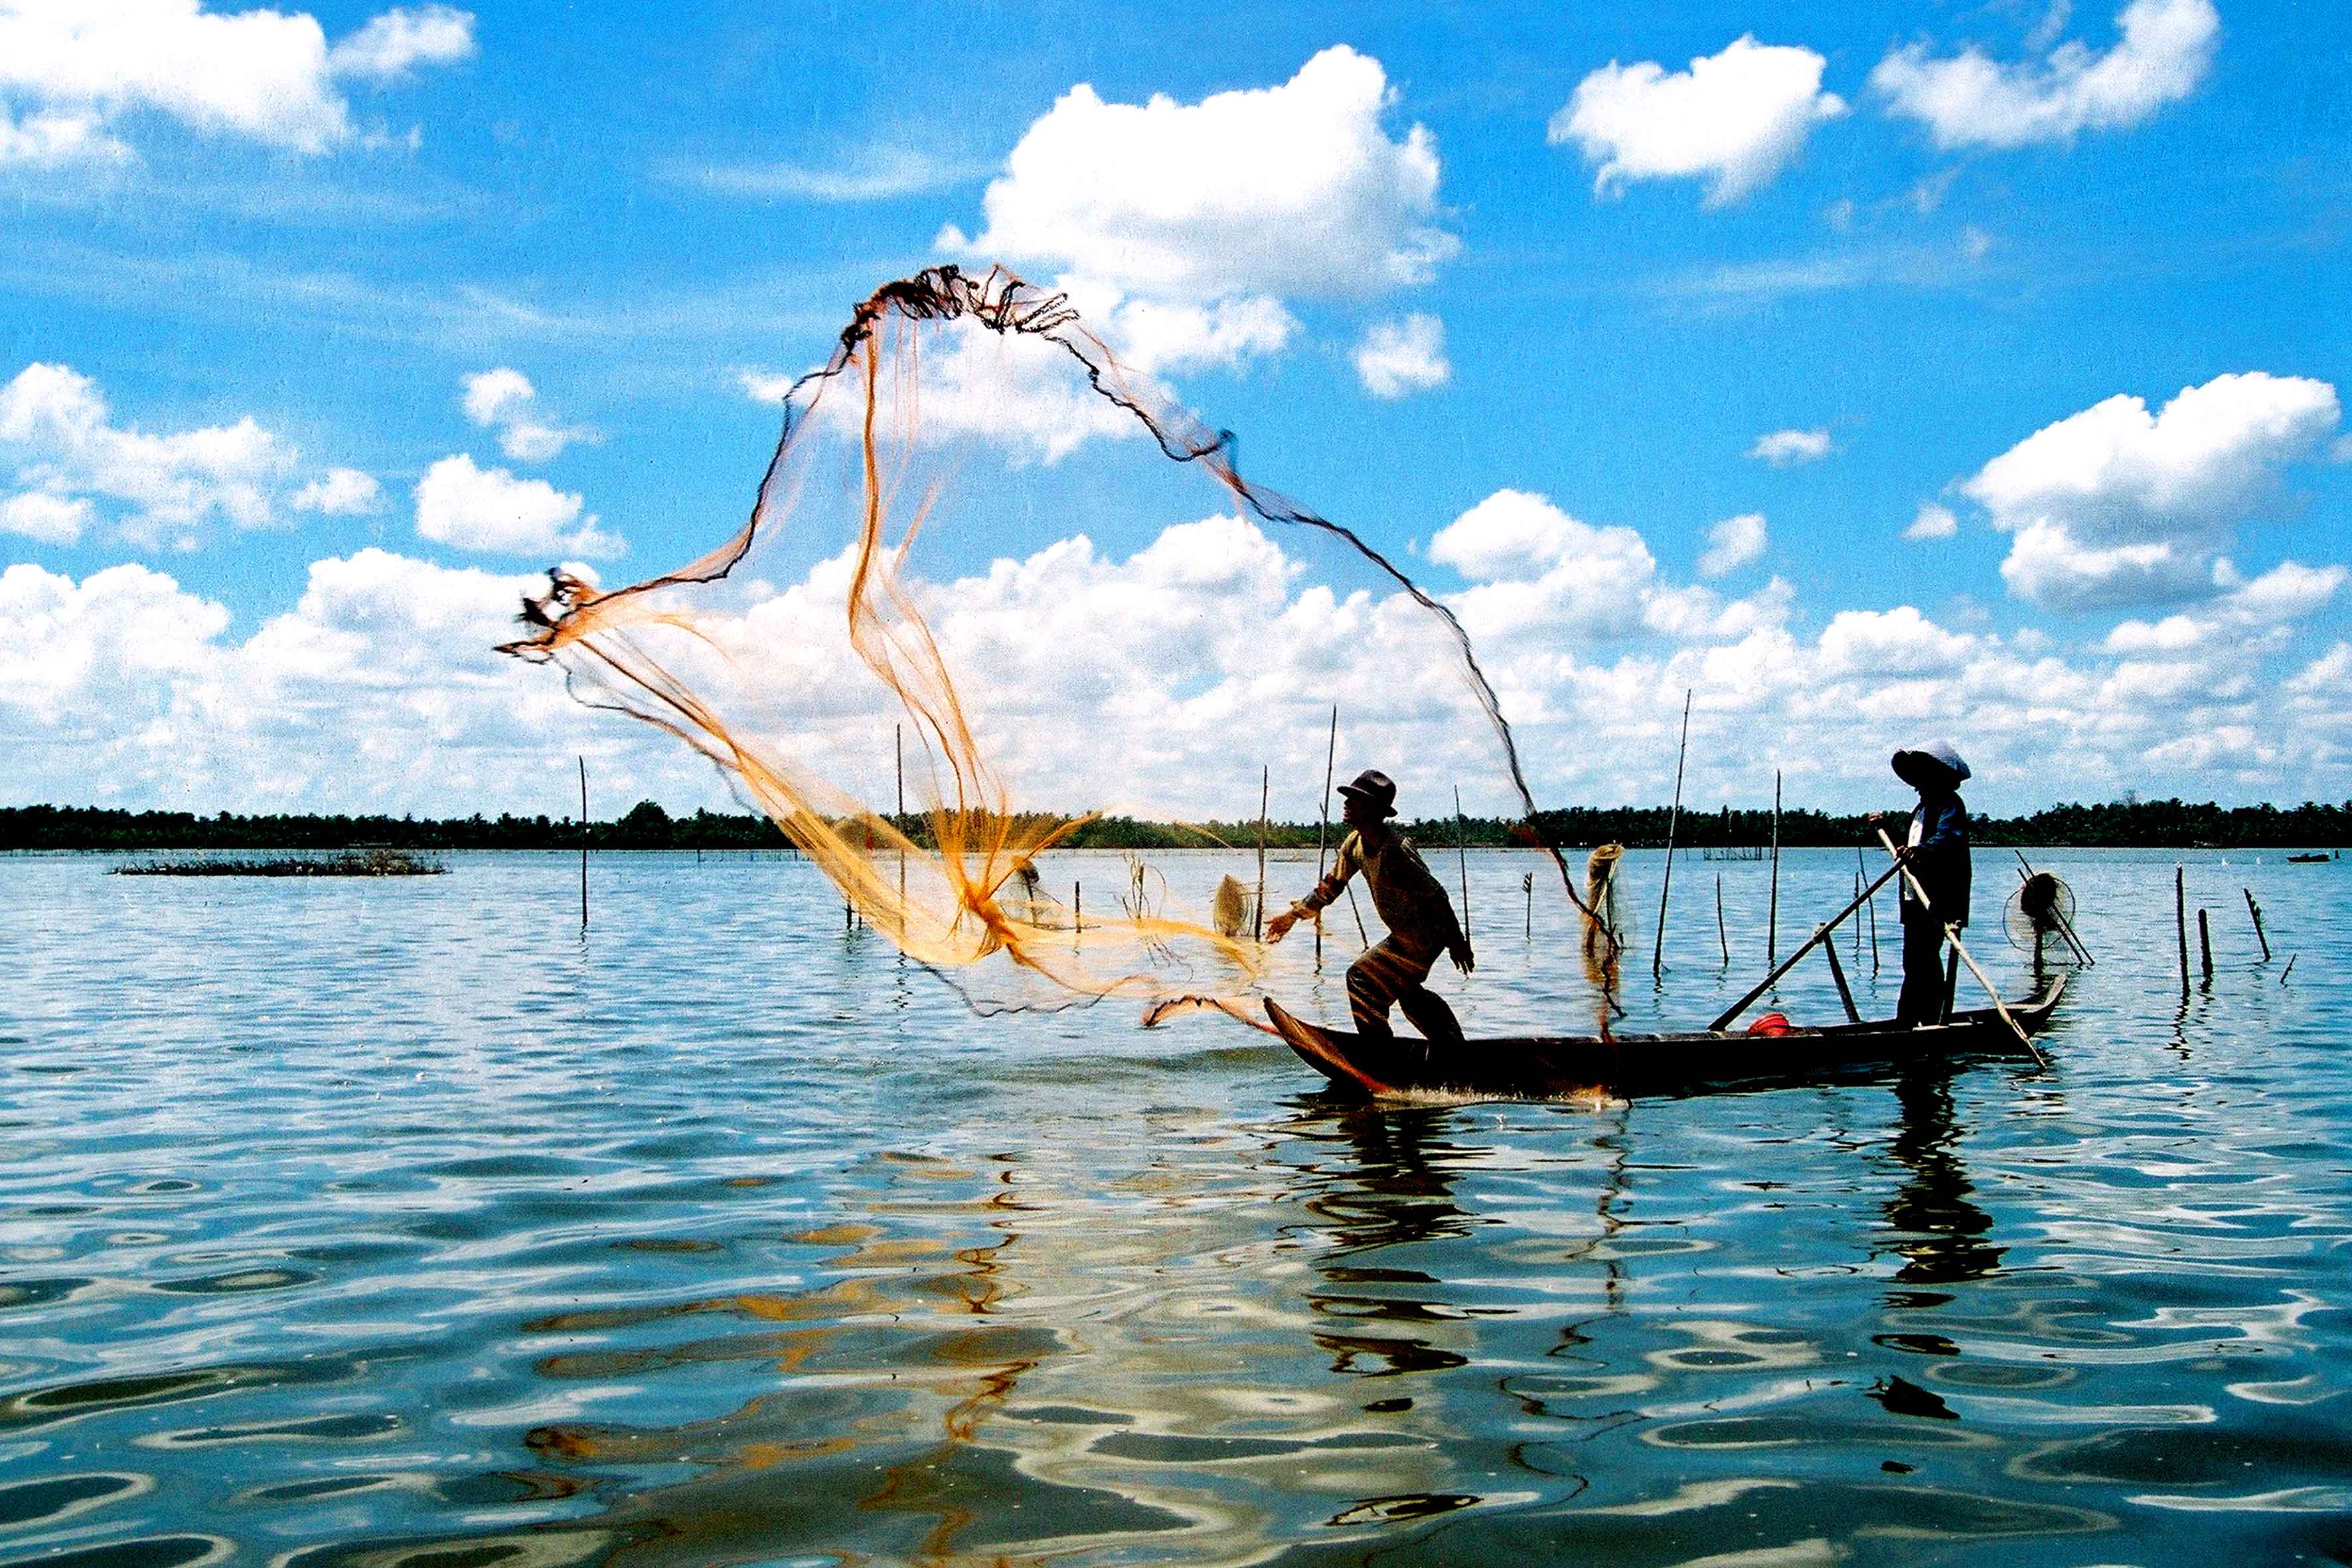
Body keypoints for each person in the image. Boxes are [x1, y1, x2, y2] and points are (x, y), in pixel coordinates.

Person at [1264, 769, 1474, 1046]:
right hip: (1403, 937)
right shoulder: (1354, 844)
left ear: (1375, 810)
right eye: (1348, 798)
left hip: (1428, 935)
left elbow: (1437, 897)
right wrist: (1292, 917)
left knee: (1363, 977)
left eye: (1356, 799)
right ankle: (1449, 1047)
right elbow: (1330, 888)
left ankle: (1382, 1051)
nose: (1347, 804)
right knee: (1406, 992)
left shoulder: (1396, 850)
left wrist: (1456, 941)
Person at [1877, 741, 1974, 1027]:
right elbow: (1910, 849)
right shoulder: (1921, 810)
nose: (1917, 784)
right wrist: (1886, 829)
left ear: (1939, 777)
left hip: (1938, 900)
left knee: (1926, 962)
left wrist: (1918, 853)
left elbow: (1947, 841)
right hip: (1914, 899)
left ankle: (1929, 1021)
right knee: (1913, 963)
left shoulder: (1950, 807)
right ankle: (1906, 1021)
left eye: (1923, 777)